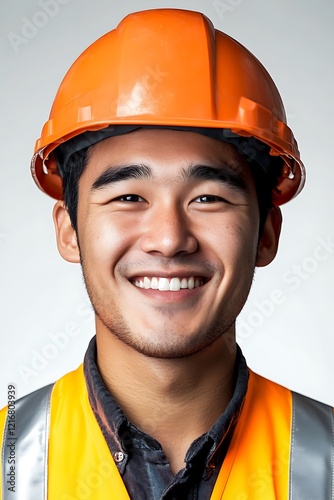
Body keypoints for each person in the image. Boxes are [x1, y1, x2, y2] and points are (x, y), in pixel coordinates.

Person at [0, 8, 333, 500]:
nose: (169, 238)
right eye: (129, 197)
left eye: (208, 198)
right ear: (69, 230)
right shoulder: (9, 461)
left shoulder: (325, 461)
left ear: (266, 233)